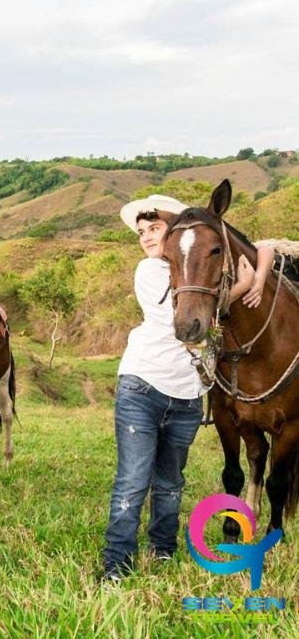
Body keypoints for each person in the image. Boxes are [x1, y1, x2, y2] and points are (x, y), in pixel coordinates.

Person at [100, 194, 272, 582]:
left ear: (175, 231)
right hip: (143, 387)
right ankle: (117, 563)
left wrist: (258, 276)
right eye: (141, 232)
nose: (145, 237)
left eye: (154, 228)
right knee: (133, 479)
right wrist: (243, 284)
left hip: (187, 395)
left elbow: (263, 248)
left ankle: (163, 549)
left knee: (171, 481)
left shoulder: (196, 264)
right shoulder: (150, 272)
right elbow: (188, 326)